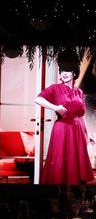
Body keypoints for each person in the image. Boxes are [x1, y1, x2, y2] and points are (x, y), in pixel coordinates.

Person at [34, 50, 95, 185]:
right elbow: (37, 99)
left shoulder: (79, 91)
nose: (64, 73)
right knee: (60, 158)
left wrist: (87, 133)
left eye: (68, 70)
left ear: (74, 73)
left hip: (76, 129)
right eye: (62, 71)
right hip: (61, 128)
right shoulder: (55, 88)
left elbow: (81, 115)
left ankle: (73, 189)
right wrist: (56, 108)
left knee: (75, 160)